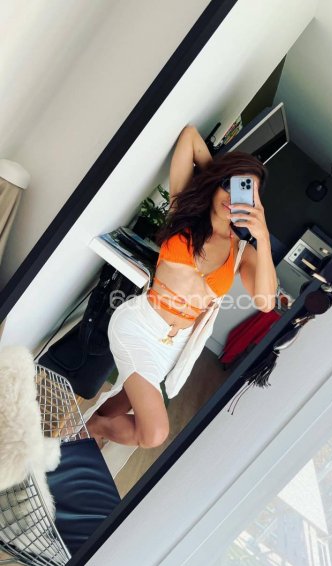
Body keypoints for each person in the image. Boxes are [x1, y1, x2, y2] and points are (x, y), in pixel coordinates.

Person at [85, 125, 277, 448]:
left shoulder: (243, 252)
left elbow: (266, 302)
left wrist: (264, 237)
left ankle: (74, 438)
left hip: (170, 348)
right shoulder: (185, 212)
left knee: (116, 409)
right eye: (229, 186)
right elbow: (189, 137)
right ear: (217, 183)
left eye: (243, 194)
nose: (233, 198)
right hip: (139, 325)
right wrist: (219, 175)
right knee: (154, 433)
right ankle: (92, 429)